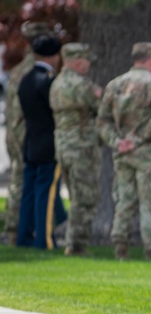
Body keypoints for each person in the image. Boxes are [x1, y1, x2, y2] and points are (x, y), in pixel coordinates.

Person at [97, 42, 151, 261]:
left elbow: (102, 120)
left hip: (122, 154)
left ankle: (120, 248)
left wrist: (117, 142)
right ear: (150, 61)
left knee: (124, 201)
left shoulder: (115, 84)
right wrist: (138, 139)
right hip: (148, 154)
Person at [49, 42, 102, 256]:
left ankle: (73, 241)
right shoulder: (81, 85)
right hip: (82, 148)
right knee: (85, 198)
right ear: (79, 61)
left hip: (63, 147)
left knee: (75, 195)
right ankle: (76, 245)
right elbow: (102, 107)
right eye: (87, 60)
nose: (88, 65)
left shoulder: (56, 83)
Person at [16, 34, 66, 250]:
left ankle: (23, 236)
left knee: (29, 192)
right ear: (55, 56)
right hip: (48, 144)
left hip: (30, 142)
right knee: (46, 192)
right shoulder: (48, 80)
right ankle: (43, 240)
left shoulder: (25, 79)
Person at [4, 21, 52, 244]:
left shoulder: (17, 72)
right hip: (32, 133)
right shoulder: (39, 72)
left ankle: (17, 232)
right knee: (31, 185)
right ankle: (22, 232)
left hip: (17, 132)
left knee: (22, 182)